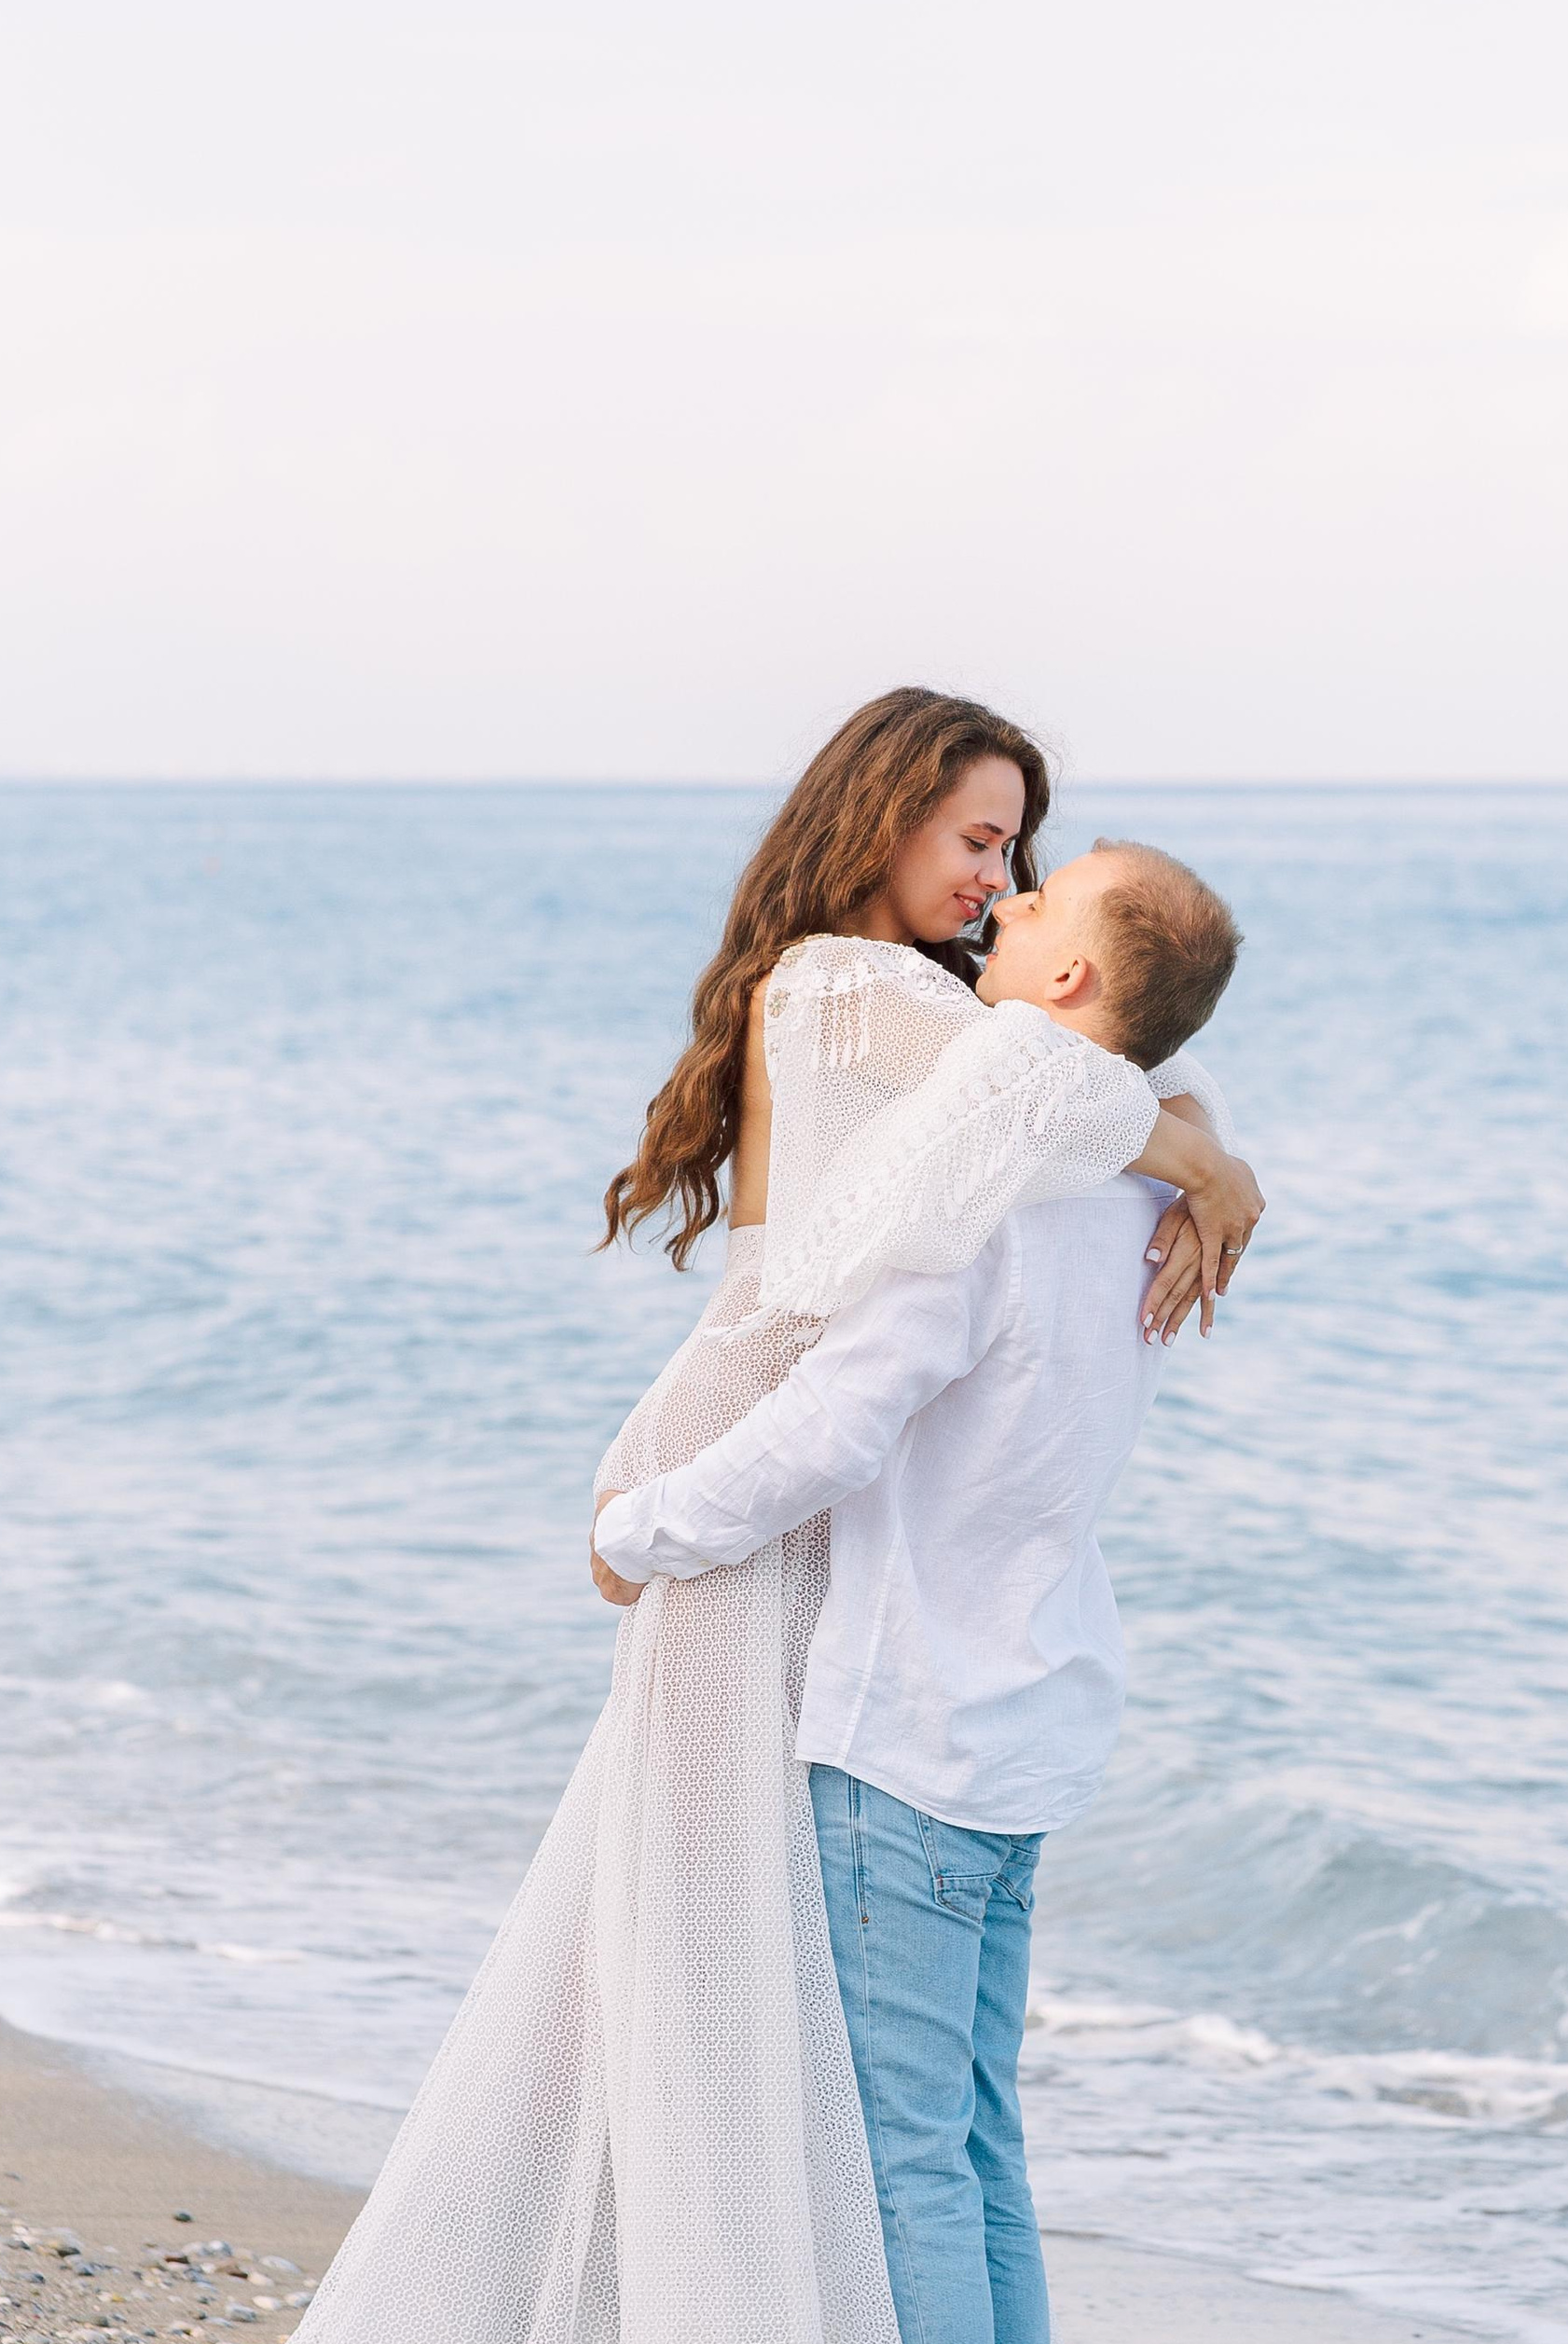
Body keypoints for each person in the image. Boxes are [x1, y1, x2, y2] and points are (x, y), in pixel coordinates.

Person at [288, 692, 1259, 2344]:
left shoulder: (950, 1035)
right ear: (879, 822)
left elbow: (1089, 1075)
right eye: (975, 838)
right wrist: (1217, 1158)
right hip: (752, 1440)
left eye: (1019, 846)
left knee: (741, 1958)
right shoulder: (847, 987)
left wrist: (1194, 1136)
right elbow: (1092, 1085)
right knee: (742, 1955)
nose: (998, 876)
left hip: (782, 1462)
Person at [589, 840, 1246, 2344]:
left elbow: (835, 1423)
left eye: (1034, 894)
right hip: (1033, 1732)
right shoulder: (1146, 1210)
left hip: (910, 1746)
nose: (1003, 900)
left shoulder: (989, 1192)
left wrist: (644, 1527)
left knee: (903, 2170)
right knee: (978, 2142)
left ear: (1065, 976)